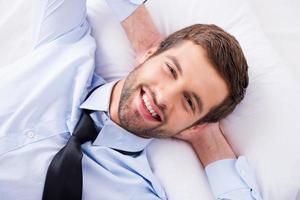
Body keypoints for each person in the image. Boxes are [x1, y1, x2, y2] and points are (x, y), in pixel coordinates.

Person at [0, 0, 262, 199]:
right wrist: (139, 27)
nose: (164, 96)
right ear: (150, 53)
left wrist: (208, 140)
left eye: (189, 102)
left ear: (195, 125)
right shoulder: (65, 44)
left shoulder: (136, 191)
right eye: (170, 70)